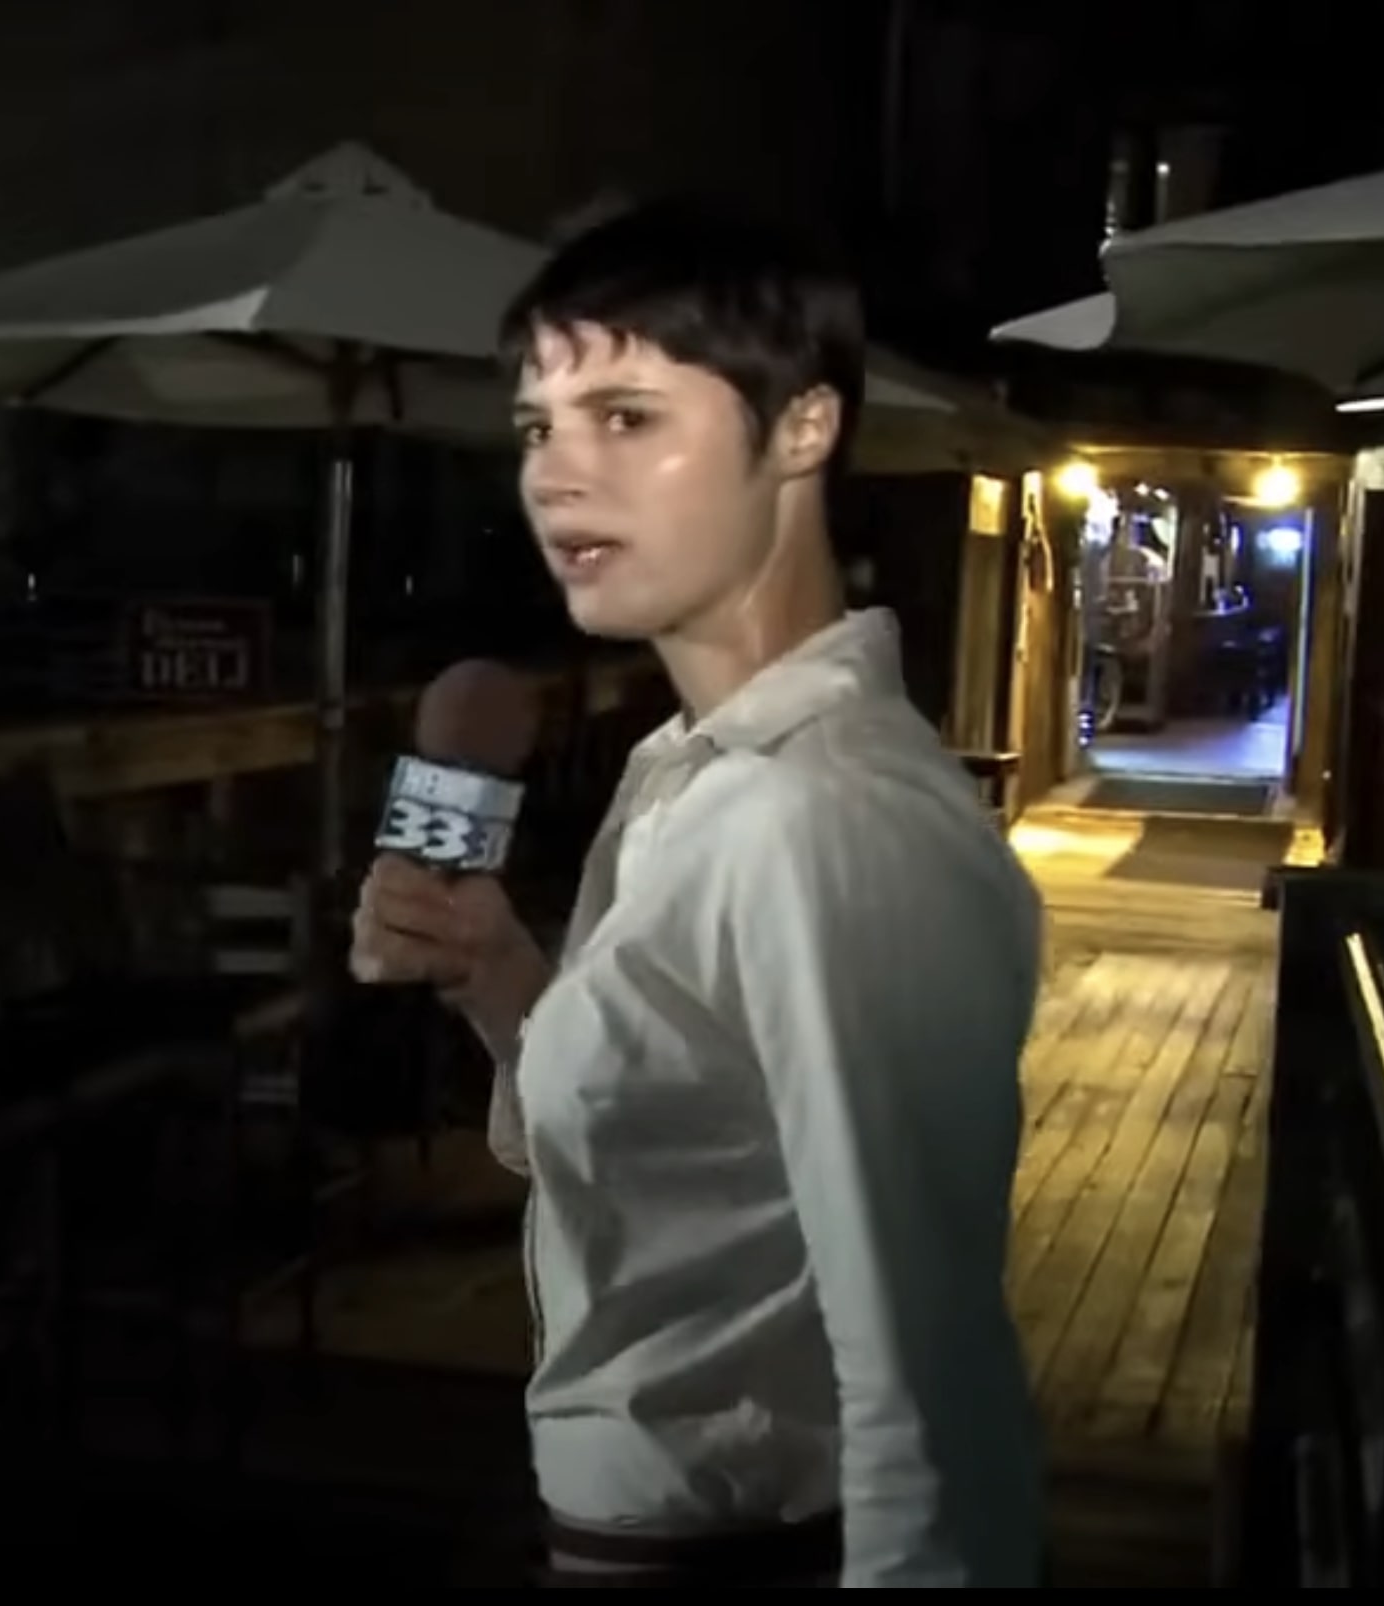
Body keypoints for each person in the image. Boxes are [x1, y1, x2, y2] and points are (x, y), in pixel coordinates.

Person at [350, 200, 1044, 1587]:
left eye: (625, 417)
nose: (557, 475)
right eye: (538, 426)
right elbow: (682, 1153)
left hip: (740, 1551)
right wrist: (498, 971)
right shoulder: (688, 769)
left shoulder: (818, 814)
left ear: (803, 427)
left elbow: (932, 1387)